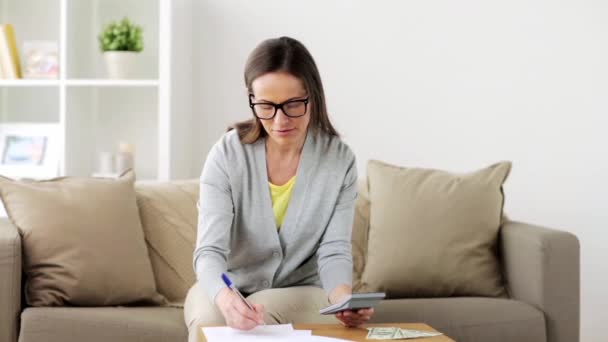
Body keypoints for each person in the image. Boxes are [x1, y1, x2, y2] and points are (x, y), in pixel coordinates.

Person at [184, 36, 374, 342]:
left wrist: (342, 300)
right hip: (229, 284)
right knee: (209, 320)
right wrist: (225, 296)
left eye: (293, 104)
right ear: (252, 99)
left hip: (302, 289)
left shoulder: (339, 161)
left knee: (264, 311)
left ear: (313, 97)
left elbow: (334, 250)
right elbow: (209, 253)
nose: (280, 120)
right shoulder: (226, 155)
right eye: (266, 106)